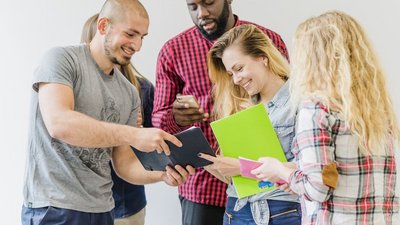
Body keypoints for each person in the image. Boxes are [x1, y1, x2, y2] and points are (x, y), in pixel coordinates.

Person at [21, 1, 194, 225]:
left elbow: (124, 165)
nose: (137, 45)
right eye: (131, 34)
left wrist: (163, 174)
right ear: (103, 26)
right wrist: (133, 135)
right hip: (54, 208)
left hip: (103, 210)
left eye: (143, 36)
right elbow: (59, 123)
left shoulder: (129, 93)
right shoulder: (60, 60)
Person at [251, 11, 400, 225]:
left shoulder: (316, 107)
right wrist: (297, 173)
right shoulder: (375, 107)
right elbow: (337, 172)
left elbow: (317, 189)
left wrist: (279, 169)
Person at [152, 0, 289, 224]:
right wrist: (176, 118)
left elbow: (287, 102)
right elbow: (158, 122)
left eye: (209, 3)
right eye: (192, 6)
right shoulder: (173, 50)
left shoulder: (266, 39)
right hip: (202, 188)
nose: (202, 13)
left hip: (269, 189)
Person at [198, 24, 301, 225]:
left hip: (282, 212)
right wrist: (211, 164)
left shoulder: (299, 101)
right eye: (231, 74)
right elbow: (236, 180)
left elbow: (312, 170)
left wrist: (241, 167)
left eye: (239, 69)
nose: (236, 80)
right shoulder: (239, 106)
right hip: (236, 211)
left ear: (263, 57)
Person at [81, 13, 154, 225]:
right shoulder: (72, 87)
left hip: (126, 205)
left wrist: (137, 133)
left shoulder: (142, 90)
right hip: (81, 205)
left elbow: (154, 152)